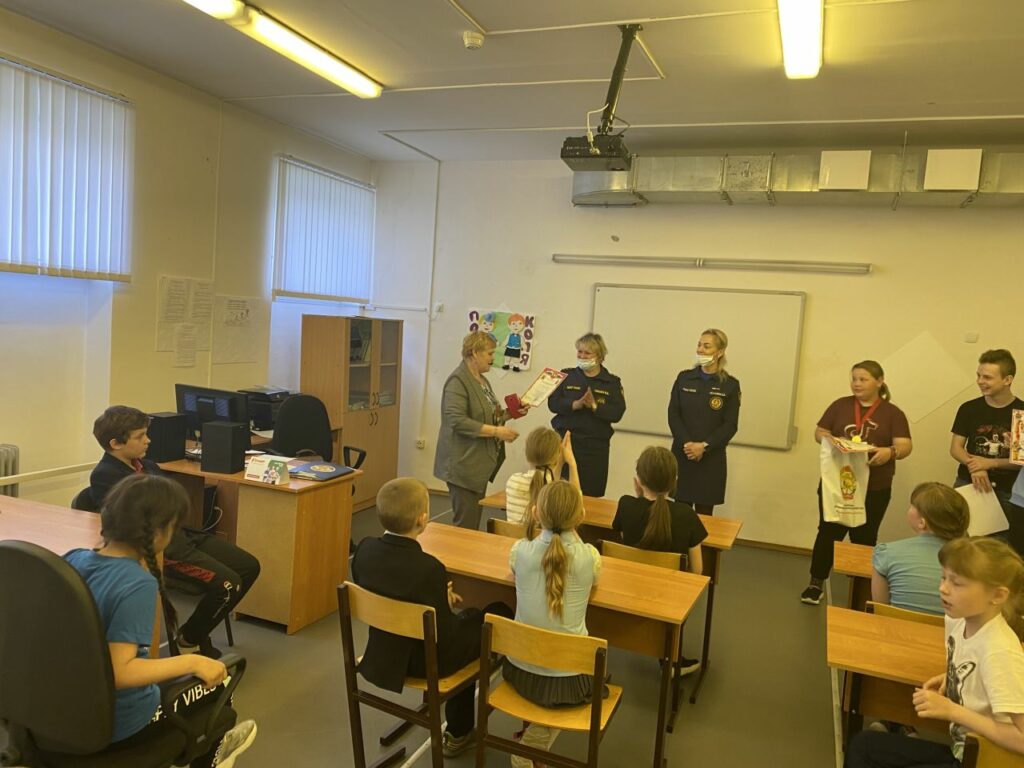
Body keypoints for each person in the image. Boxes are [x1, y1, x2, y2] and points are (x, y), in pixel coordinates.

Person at [65, 473, 256, 766]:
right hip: (117, 723)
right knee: (220, 684)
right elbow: (120, 672)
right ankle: (211, 759)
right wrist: (192, 662)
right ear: (157, 533)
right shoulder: (136, 583)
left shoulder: (73, 559)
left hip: (67, 708)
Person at [351, 478, 512, 758]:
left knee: (468, 617)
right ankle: (459, 731)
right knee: (493, 613)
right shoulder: (430, 569)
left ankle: (460, 729)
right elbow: (446, 638)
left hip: (383, 651)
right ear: (423, 519)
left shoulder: (363, 551)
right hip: (425, 661)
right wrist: (444, 605)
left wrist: (438, 600)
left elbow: (385, 589)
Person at [89, 406, 261, 657]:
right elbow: (136, 519)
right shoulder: (105, 475)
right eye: (140, 436)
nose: (148, 440)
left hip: (179, 535)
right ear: (115, 444)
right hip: (160, 547)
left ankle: (193, 632)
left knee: (248, 566)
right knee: (228, 584)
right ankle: (190, 638)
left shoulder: (147, 465)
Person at [844, 537, 1024, 767]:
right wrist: (951, 676)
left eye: (957, 583)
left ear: (997, 596)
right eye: (943, 577)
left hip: (986, 761)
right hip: (963, 753)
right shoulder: (957, 620)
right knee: (864, 745)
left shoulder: (999, 653)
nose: (943, 588)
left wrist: (953, 711)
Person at [504, 481, 602, 767]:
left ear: (535, 513)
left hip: (519, 668)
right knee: (584, 671)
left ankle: (533, 740)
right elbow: (593, 579)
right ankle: (533, 743)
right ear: (581, 516)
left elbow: (519, 569)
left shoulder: (520, 550)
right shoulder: (590, 557)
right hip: (569, 680)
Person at [801, 361, 913, 605]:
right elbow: (819, 432)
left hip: (874, 486)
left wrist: (890, 452)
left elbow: (905, 445)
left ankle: (862, 587)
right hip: (837, 483)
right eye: (854, 379)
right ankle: (816, 581)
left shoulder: (892, 413)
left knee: (865, 536)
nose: (857, 384)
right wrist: (832, 440)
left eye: (863, 379)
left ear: (879, 382)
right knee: (828, 532)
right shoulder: (840, 405)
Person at [614, 445, 707, 676]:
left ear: (638, 480)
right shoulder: (686, 515)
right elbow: (697, 570)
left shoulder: (626, 505)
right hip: (669, 598)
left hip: (628, 589)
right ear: (674, 481)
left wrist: (639, 497)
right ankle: (671, 660)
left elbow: (627, 542)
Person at [434, 331, 522, 530]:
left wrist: (511, 413)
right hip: (463, 465)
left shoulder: (482, 380)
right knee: (465, 526)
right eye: (490, 353)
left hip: (478, 466)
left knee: (472, 523)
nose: (493, 358)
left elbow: (489, 415)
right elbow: (456, 420)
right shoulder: (457, 381)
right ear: (474, 353)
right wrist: (497, 432)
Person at [667, 329, 740, 516]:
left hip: (711, 460)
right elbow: (673, 414)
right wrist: (688, 444)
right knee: (679, 515)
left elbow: (730, 425)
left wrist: (704, 446)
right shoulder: (684, 378)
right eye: (699, 345)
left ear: (720, 352)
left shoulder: (730, 385)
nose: (700, 349)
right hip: (683, 455)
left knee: (704, 518)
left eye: (706, 346)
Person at [950, 349, 1023, 533]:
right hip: (968, 484)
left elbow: (1020, 460)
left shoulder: (1021, 413)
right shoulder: (969, 409)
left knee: (1000, 544)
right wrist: (976, 466)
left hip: (1007, 490)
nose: (980, 381)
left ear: (1007, 380)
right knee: (959, 538)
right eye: (979, 375)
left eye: (987, 377)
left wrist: (990, 463)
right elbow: (956, 448)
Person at [871, 482, 970, 615]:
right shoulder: (974, 563)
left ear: (922, 523)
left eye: (912, 505)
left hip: (896, 626)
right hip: (949, 629)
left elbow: (880, 611)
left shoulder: (886, 553)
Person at [548, 333, 626, 496]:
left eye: (587, 353)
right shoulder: (566, 376)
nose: (582, 356)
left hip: (595, 449)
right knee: (560, 494)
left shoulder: (612, 382)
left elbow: (617, 412)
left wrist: (594, 406)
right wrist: (575, 404)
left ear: (600, 356)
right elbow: (553, 403)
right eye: (580, 352)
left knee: (591, 495)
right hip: (566, 443)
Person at [505, 427, 579, 535]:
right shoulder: (556, 489)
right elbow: (576, 507)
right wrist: (572, 464)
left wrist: (559, 462)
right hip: (545, 545)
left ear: (527, 455)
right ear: (556, 457)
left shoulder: (513, 481)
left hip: (511, 542)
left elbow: (548, 482)